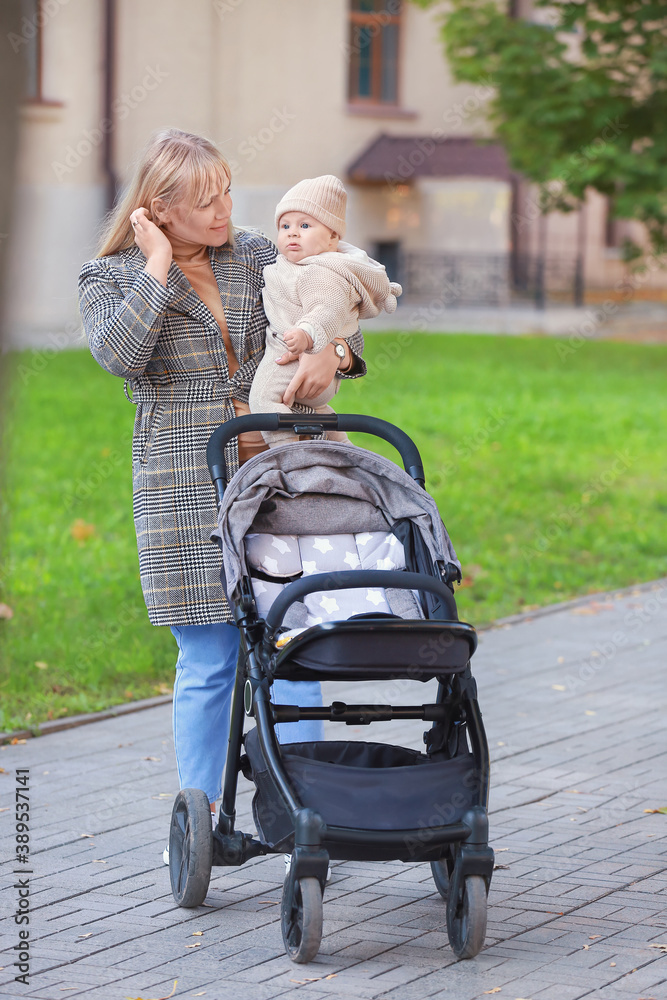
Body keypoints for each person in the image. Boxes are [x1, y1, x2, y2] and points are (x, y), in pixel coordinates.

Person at [78, 129, 366, 838]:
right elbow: (121, 356)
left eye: (226, 194)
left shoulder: (258, 256)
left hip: (280, 469)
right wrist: (154, 267)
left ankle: (302, 804)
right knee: (209, 651)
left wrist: (336, 352)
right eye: (204, 202)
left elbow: (334, 299)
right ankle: (202, 814)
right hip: (181, 479)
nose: (223, 211)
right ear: (158, 208)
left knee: (293, 634)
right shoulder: (108, 274)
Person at [249, 175, 401, 444]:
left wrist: (310, 335)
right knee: (318, 411)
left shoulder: (321, 273)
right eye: (285, 225)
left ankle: (288, 455)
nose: (292, 232)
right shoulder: (300, 265)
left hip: (295, 356)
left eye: (305, 225)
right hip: (315, 380)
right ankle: (345, 451)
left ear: (332, 237)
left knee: (263, 401)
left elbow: (327, 310)